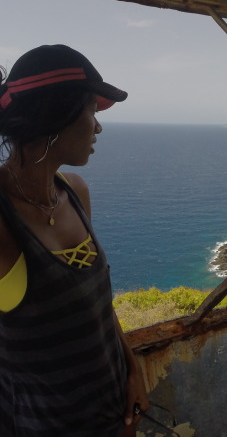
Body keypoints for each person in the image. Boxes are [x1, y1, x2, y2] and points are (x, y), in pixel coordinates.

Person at [0, 44, 150, 436]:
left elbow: (97, 303)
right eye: (91, 111)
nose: (98, 126)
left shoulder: (75, 191)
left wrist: (133, 371)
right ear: (57, 114)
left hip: (113, 415)